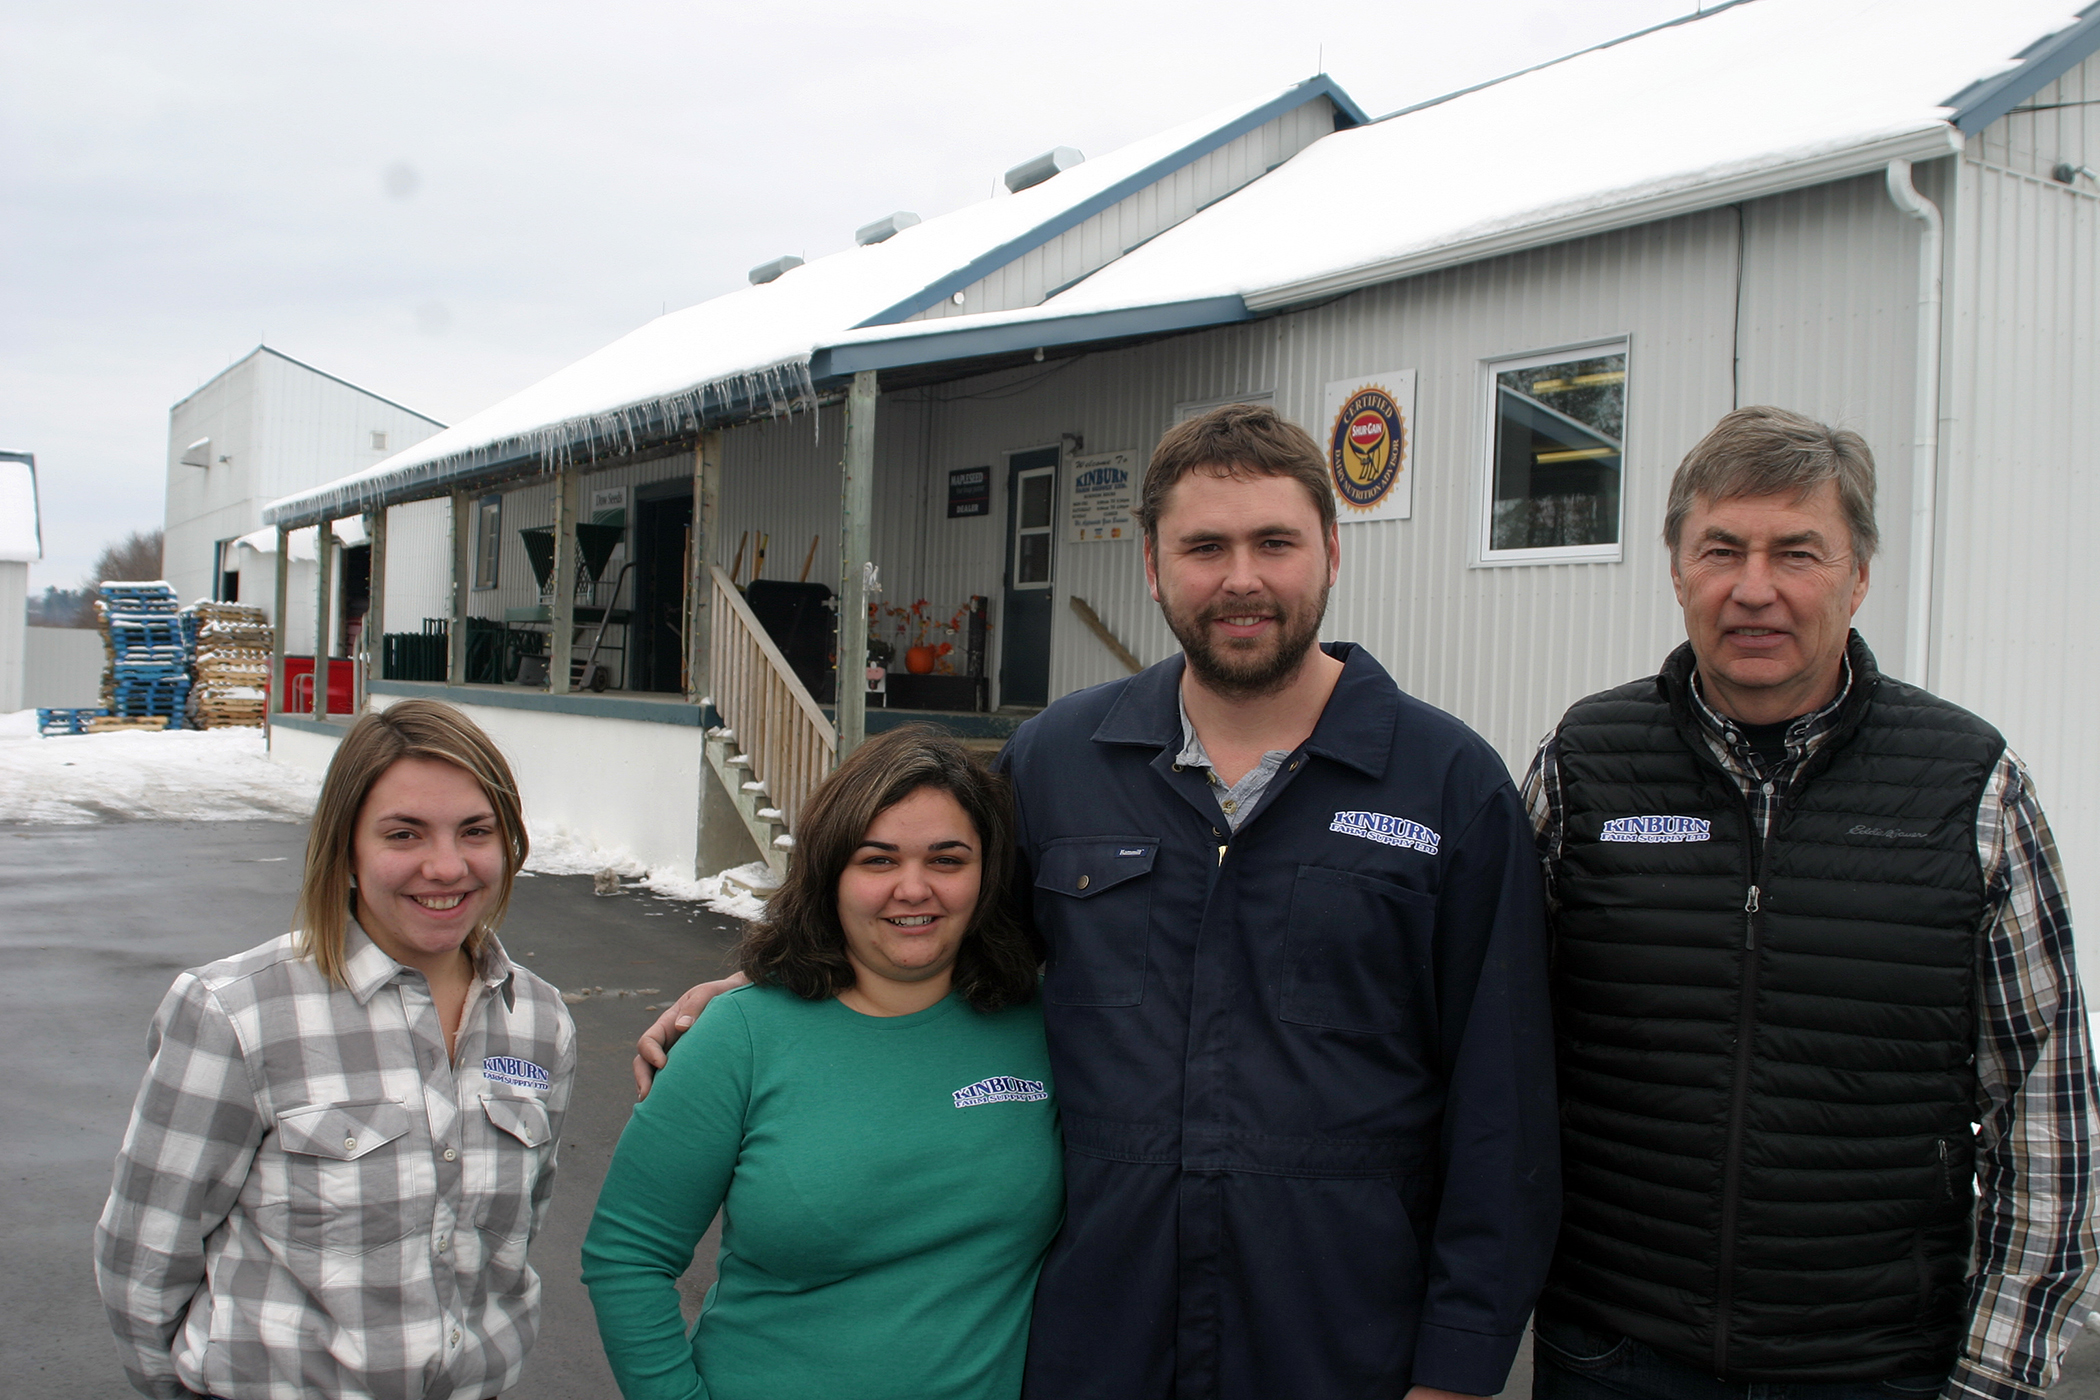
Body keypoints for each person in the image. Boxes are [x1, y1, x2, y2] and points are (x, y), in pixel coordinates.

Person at [638, 405, 1561, 1400]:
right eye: (1204, 545)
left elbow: (1502, 1109)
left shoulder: (1447, 785)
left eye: (1274, 542)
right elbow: (934, 942)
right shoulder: (1061, 763)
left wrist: (1458, 1371)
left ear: (1330, 553)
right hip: (1095, 1338)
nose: (1241, 576)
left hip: (1339, 1343)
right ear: (1155, 567)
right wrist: (762, 990)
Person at [1524, 406, 2098, 1400]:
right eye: (1721, 549)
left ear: (1860, 574)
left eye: (1798, 552)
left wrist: (1993, 1374)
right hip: (1615, 1351)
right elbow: (1493, 1053)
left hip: (1872, 1363)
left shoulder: (1972, 787)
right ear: (1676, 568)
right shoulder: (1586, 766)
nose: (1755, 589)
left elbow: (2047, 1116)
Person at [95, 699, 576, 1400]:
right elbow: (145, 1255)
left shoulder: (538, 1020)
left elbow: (512, 1237)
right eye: (404, 834)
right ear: (346, 850)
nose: (447, 866)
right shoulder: (237, 1014)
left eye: (475, 830)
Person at [582, 726, 1061, 1400]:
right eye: (878, 860)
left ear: (987, 876)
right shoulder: (740, 1036)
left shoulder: (1043, 1024)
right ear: (831, 870)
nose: (914, 888)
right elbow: (626, 1257)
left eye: (948, 860)